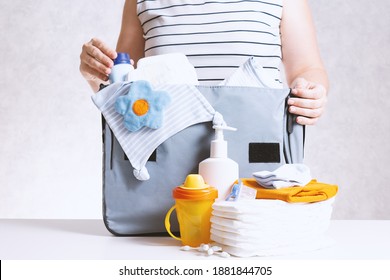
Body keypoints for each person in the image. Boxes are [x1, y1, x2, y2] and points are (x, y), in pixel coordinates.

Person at [80, 0, 328, 125]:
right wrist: (97, 74)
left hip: (258, 144)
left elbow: (307, 68)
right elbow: (124, 87)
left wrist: (312, 92)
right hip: (164, 153)